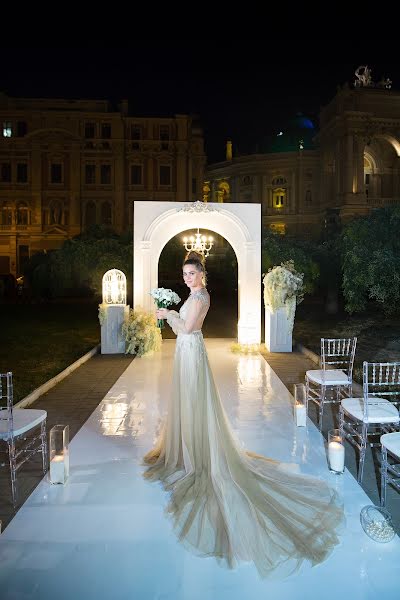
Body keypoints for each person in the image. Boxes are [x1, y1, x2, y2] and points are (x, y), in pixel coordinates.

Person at [143, 250, 344, 578]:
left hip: (191, 349)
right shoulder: (195, 295)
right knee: (188, 401)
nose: (187, 279)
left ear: (201, 275)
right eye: (184, 275)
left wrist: (167, 315)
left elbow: (187, 329)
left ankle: (197, 452)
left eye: (191, 274)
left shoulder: (200, 297)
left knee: (195, 400)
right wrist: (171, 313)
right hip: (188, 352)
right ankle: (188, 445)